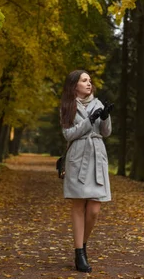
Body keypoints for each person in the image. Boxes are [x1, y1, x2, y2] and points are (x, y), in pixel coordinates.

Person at [59, 69, 113, 273]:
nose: (89, 83)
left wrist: (105, 117)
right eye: (84, 80)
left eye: (90, 80)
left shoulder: (98, 104)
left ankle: (82, 244)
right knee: (79, 205)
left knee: (94, 210)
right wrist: (88, 121)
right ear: (74, 86)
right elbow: (68, 134)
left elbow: (106, 132)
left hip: (97, 156)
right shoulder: (67, 106)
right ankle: (79, 253)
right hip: (78, 157)